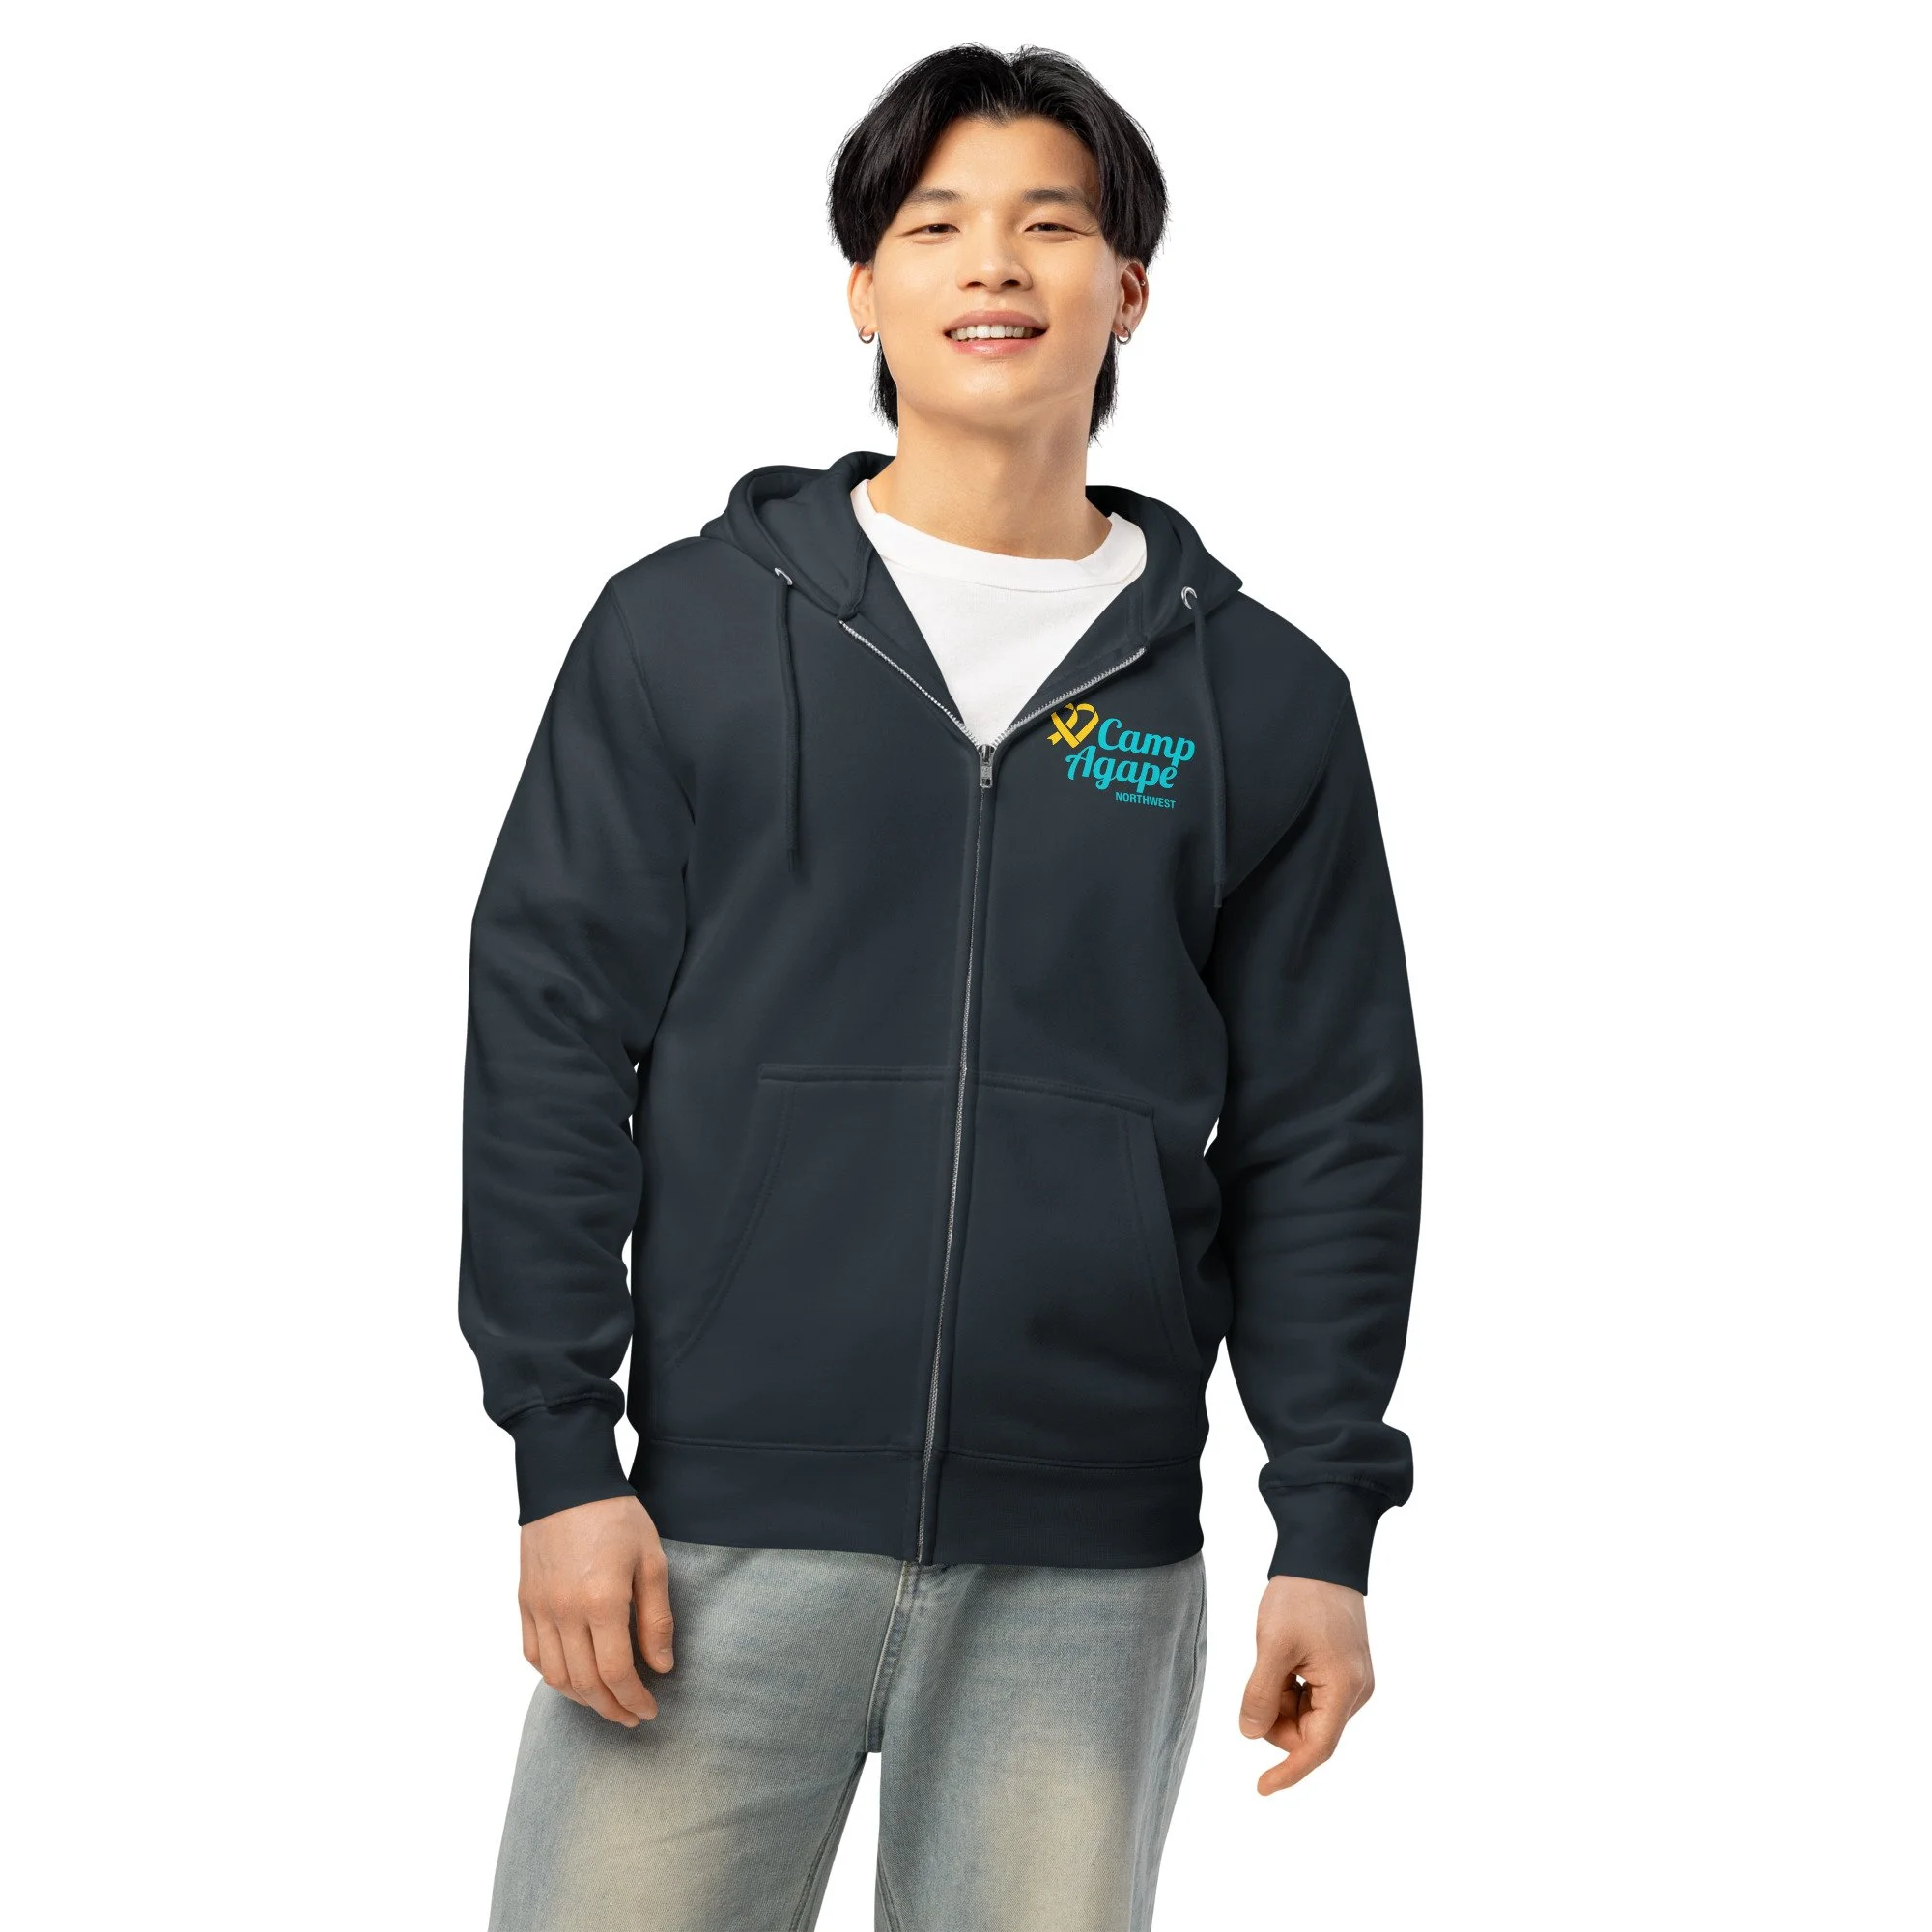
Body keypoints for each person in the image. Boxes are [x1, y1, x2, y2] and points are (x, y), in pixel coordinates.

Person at [460, 42, 1423, 1932]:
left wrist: (1326, 1525)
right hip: (702, 1536)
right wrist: (562, 1454)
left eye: (1049, 225)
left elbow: (1327, 1126)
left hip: (1087, 1565)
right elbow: (551, 1039)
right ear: (864, 290)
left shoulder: (1261, 699)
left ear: (1126, 289)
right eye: (936, 225)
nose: (993, 263)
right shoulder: (683, 634)